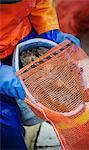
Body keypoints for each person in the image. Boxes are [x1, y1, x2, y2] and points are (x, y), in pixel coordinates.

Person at [0, 0, 80, 149]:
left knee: (66, 97)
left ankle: (81, 137)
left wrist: (49, 33)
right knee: (5, 122)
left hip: (22, 35)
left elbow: (40, 3)